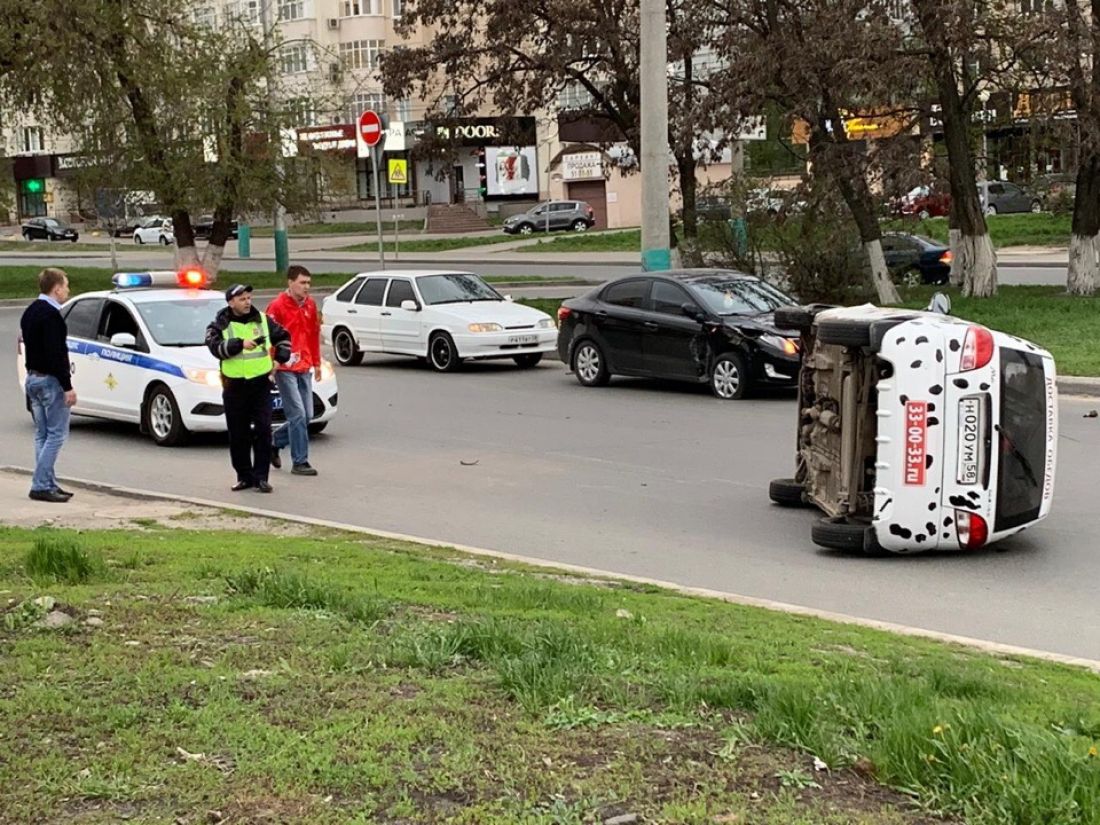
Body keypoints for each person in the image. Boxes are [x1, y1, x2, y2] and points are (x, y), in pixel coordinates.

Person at [205, 284, 291, 493]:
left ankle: (261, 477)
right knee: (238, 433)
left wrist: (278, 362)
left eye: (249, 298)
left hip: (260, 383)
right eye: (242, 299)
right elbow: (215, 348)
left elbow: (284, 338)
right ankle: (244, 476)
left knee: (263, 429)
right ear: (231, 302)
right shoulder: (219, 324)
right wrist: (239, 344)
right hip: (234, 385)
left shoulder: (262, 319)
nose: (247, 302)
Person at [21, 268, 76, 503]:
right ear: (56, 288)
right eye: (65, 286)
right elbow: (56, 354)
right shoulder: (52, 316)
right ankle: (41, 484)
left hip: (33, 377)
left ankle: (48, 482)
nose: (67, 290)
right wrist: (67, 386)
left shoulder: (31, 311)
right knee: (56, 435)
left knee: (42, 435)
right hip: (50, 381)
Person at [266, 265, 322, 476]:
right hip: (285, 367)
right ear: (290, 283)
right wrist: (272, 365)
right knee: (297, 413)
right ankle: (300, 461)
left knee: (306, 415)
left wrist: (316, 362)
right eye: (302, 282)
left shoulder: (310, 305)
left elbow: (313, 335)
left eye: (308, 283)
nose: (306, 287)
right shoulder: (277, 307)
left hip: (304, 365)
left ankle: (274, 441)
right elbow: (269, 338)